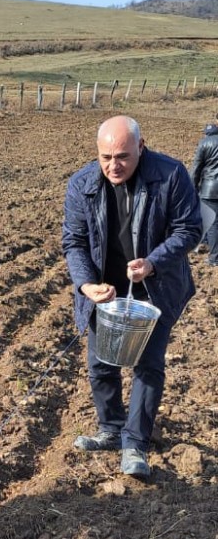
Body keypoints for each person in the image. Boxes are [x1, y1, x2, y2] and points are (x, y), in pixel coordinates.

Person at [62, 114, 202, 479]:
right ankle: (110, 428)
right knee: (101, 364)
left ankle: (135, 442)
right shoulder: (82, 184)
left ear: (141, 146)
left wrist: (153, 263)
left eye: (122, 156)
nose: (113, 165)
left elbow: (190, 229)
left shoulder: (170, 176)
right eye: (105, 157)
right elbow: (74, 241)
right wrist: (85, 284)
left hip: (155, 286)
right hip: (104, 290)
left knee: (148, 365)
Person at [189, 117, 218, 265]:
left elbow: (196, 169)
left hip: (210, 189)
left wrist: (191, 187)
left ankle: (214, 258)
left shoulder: (205, 143)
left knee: (212, 222)